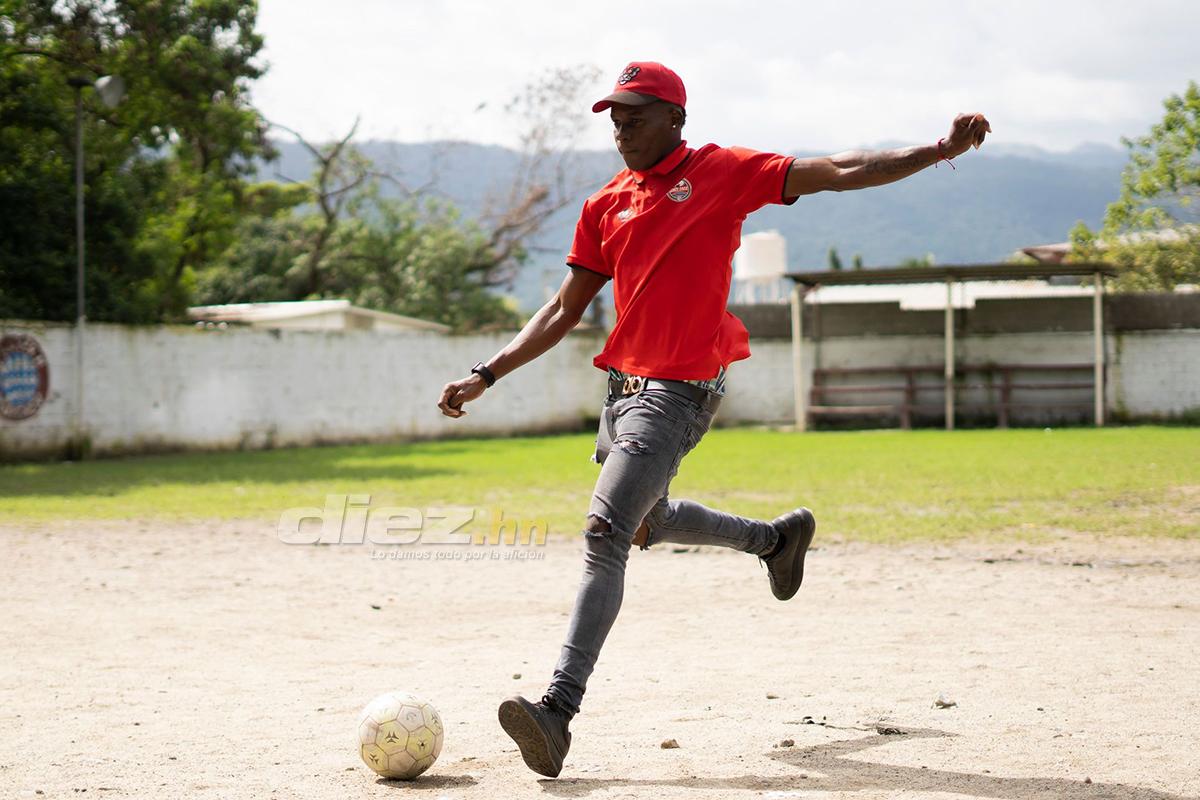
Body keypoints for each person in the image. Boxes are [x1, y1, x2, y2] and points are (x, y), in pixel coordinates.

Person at [437, 61, 991, 778]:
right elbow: (562, 309)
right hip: (623, 393)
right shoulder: (605, 203)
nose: (620, 126)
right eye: (614, 115)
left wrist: (936, 151)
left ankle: (557, 711)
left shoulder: (722, 171)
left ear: (675, 118)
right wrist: (487, 372)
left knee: (604, 532)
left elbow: (841, 169)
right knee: (642, 522)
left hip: (679, 392)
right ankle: (773, 541)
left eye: (635, 114)